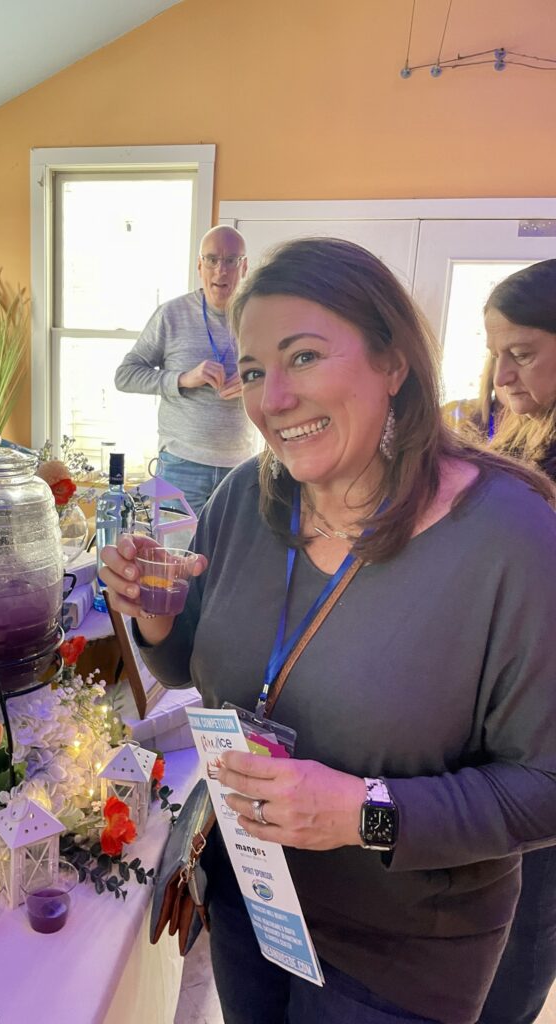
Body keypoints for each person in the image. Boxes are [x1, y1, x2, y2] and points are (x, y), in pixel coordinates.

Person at [101, 238, 556, 1024]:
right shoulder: (246, 497)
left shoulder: (509, 537)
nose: (272, 399)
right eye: (251, 370)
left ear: (393, 362)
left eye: (303, 357)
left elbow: (544, 789)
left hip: (401, 952)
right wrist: (154, 610)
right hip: (249, 896)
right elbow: (187, 666)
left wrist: (361, 812)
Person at [477, 259, 556, 1024]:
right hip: (512, 715)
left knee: (528, 917)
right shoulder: (523, 429)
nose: (500, 371)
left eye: (522, 352)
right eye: (494, 348)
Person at [114, 226, 255, 515]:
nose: (221, 271)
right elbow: (125, 375)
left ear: (245, 267)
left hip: (241, 467)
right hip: (180, 465)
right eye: (212, 259)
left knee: (232, 560)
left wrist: (255, 382)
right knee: (175, 559)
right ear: (199, 265)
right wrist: (182, 379)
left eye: (231, 261)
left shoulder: (262, 318)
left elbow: (284, 379)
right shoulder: (171, 314)